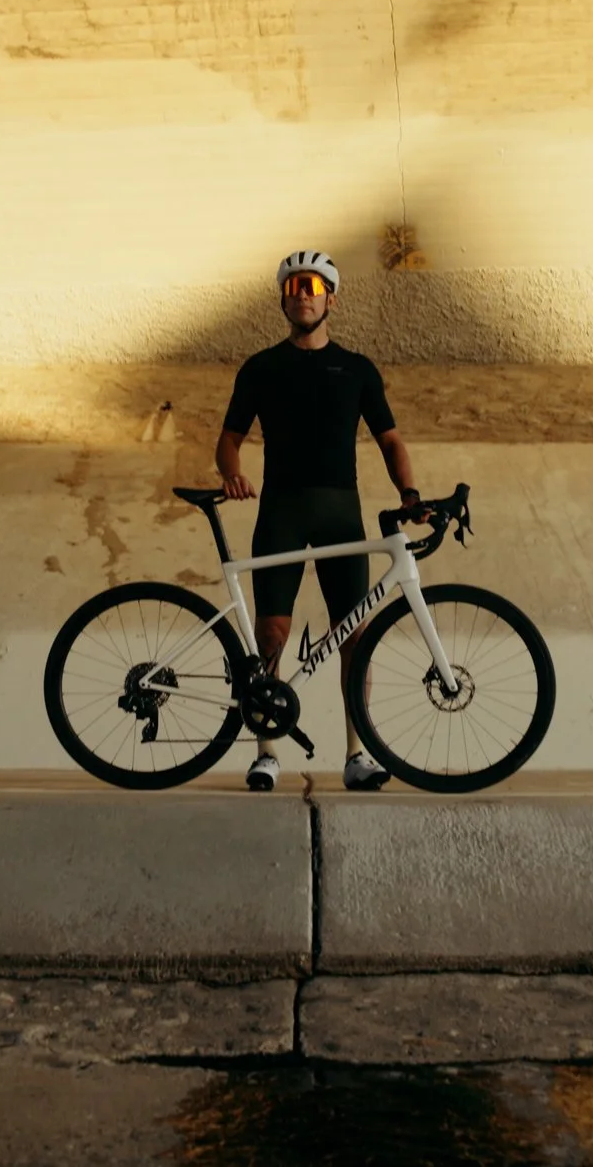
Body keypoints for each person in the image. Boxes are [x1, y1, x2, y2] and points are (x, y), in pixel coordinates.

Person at [215, 250, 421, 792]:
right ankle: (266, 755)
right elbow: (229, 439)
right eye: (294, 286)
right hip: (280, 509)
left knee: (354, 633)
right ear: (283, 298)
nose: (303, 293)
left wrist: (410, 492)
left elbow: (391, 439)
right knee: (272, 634)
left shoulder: (356, 369)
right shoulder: (261, 367)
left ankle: (358, 755)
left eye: (314, 284)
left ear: (331, 295)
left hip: (339, 513)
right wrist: (232, 474)